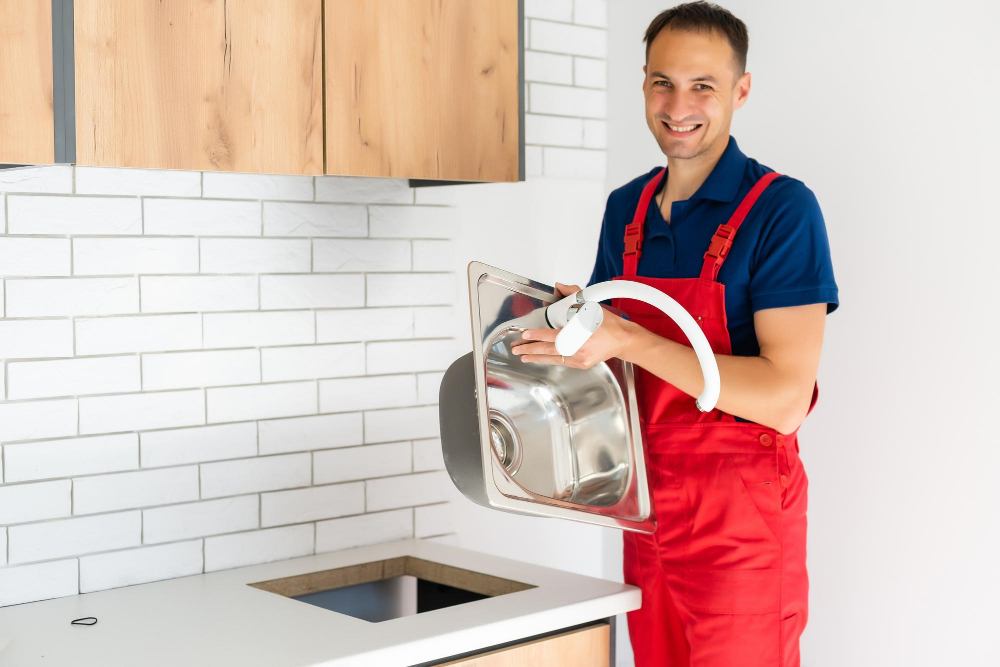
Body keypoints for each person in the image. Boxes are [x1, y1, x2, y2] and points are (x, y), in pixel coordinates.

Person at [512, 2, 839, 665]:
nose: (678, 103)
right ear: (642, 83)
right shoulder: (624, 210)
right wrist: (563, 341)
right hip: (647, 510)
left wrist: (628, 338)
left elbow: (781, 396)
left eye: (703, 85)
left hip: (741, 523)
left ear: (741, 90)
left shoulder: (781, 211)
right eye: (663, 81)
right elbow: (612, 372)